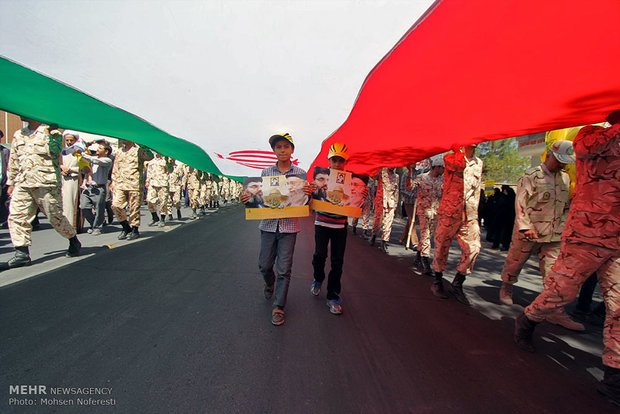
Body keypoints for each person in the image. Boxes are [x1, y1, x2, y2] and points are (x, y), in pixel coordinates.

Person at [513, 110, 620, 405]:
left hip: (617, 239)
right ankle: (528, 320)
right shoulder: (591, 135)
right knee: (560, 291)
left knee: (619, 307)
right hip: (588, 231)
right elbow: (584, 149)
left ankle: (613, 377)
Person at [499, 140, 583, 330]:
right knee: (515, 262)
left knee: (555, 273)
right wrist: (525, 226)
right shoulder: (531, 175)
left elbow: (565, 206)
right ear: (549, 155)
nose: (562, 165)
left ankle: (555, 310)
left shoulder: (565, 178)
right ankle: (507, 286)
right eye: (559, 160)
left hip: (554, 235)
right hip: (530, 231)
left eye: (565, 162)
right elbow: (520, 203)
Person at [240, 133, 311, 326]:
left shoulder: (300, 174)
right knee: (264, 265)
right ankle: (269, 282)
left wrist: (309, 195)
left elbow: (304, 203)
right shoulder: (266, 173)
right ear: (274, 150)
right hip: (268, 225)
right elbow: (259, 198)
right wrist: (248, 199)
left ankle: (279, 306)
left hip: (289, 227)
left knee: (284, 269)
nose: (282, 150)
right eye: (278, 147)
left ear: (292, 150)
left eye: (285, 146)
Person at [3, 118, 81, 268]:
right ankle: (22, 253)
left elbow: (56, 151)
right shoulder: (19, 134)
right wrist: (11, 182)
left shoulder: (51, 131)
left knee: (54, 216)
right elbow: (13, 159)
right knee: (16, 216)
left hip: (46, 182)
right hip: (23, 181)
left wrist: (52, 135)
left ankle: (72, 239)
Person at [310, 143, 367, 315]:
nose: (337, 163)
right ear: (329, 160)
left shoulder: (351, 181)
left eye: (341, 160)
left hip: (340, 226)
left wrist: (361, 196)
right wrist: (311, 192)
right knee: (319, 256)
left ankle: (333, 296)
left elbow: (355, 205)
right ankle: (318, 279)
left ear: (345, 162)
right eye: (334, 160)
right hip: (321, 223)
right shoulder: (320, 178)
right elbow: (311, 201)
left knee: (337, 261)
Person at [431, 144, 483, 303]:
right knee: (441, 247)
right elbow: (459, 166)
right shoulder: (450, 158)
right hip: (449, 211)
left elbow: (477, 189)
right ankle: (437, 281)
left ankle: (458, 282)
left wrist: (475, 210)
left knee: (474, 248)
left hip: (469, 213)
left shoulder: (479, 163)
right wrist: (458, 149)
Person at [110, 139, 154, 240]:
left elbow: (150, 157)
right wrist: (113, 181)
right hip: (120, 184)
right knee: (116, 205)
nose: (122, 139)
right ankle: (126, 227)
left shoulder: (138, 150)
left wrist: (142, 146)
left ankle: (134, 229)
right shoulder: (120, 151)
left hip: (134, 184)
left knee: (134, 208)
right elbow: (115, 167)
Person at [409, 157, 444, 275]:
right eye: (442, 168)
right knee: (425, 235)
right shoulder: (422, 177)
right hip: (423, 212)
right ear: (437, 167)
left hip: (435, 213)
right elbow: (410, 187)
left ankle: (418, 256)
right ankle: (425, 261)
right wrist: (410, 171)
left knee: (428, 236)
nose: (444, 170)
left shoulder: (442, 181)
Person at [77, 141, 113, 235]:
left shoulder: (107, 160)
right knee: (84, 206)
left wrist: (81, 153)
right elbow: (86, 166)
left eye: (100, 148)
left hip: (99, 188)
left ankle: (97, 227)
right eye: (98, 147)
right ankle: (93, 223)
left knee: (99, 209)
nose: (97, 149)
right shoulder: (92, 158)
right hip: (88, 187)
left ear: (106, 152)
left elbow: (95, 161)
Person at [370, 167, 399, 253]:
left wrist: (396, 203)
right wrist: (379, 167)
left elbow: (396, 190)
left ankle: (384, 241)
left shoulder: (396, 176)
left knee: (388, 222)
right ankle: (374, 235)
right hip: (381, 201)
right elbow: (372, 176)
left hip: (391, 202)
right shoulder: (381, 173)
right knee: (377, 221)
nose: (392, 167)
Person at [61, 131, 81, 230]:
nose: (69, 142)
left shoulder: (79, 152)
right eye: (67, 140)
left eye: (71, 140)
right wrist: (61, 168)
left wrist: (71, 170)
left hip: (74, 179)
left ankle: (72, 225)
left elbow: (84, 168)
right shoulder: (62, 152)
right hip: (63, 179)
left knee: (72, 203)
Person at [145, 152, 172, 227]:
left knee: (163, 202)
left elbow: (171, 170)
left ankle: (162, 219)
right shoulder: (151, 161)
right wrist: (147, 181)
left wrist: (168, 162)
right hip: (153, 183)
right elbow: (149, 172)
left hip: (163, 184)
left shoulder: (165, 160)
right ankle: (154, 217)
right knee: (149, 200)